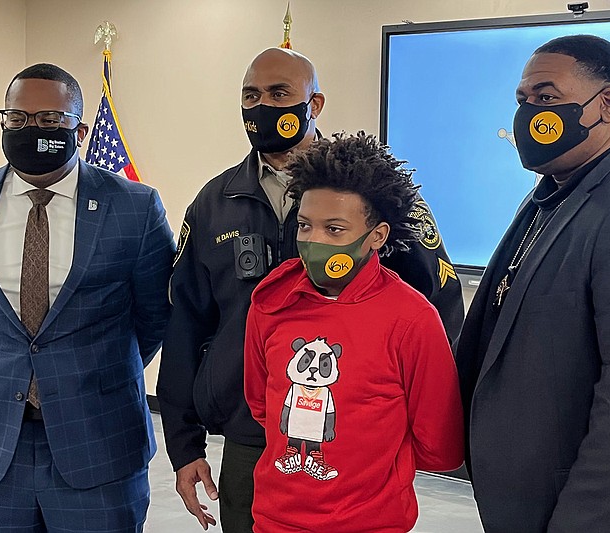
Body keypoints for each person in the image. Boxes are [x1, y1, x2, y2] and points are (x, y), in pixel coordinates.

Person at [156, 47, 465, 532]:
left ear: (314, 103)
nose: (263, 106)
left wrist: (391, 421)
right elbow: (185, 321)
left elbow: (439, 308)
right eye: (251, 95)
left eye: (279, 93)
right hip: (249, 432)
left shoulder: (374, 194)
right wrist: (183, 440)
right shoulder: (214, 203)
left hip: (358, 443)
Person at [455, 35, 610, 532]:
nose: (528, 115)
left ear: (607, 105)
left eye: (545, 98)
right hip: (528, 501)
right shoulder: (555, 192)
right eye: (522, 101)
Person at [0, 63, 176, 532]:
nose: (31, 130)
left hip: (99, 441)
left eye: (49, 121)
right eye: (17, 119)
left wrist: (87, 370)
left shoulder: (135, 207)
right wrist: (14, 366)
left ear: (79, 131)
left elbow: (153, 316)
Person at [243, 131, 464, 532]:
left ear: (376, 236)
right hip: (273, 522)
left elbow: (439, 446)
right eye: (305, 225)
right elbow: (263, 404)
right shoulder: (271, 300)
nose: (313, 242)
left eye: (335, 230)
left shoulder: (412, 319)